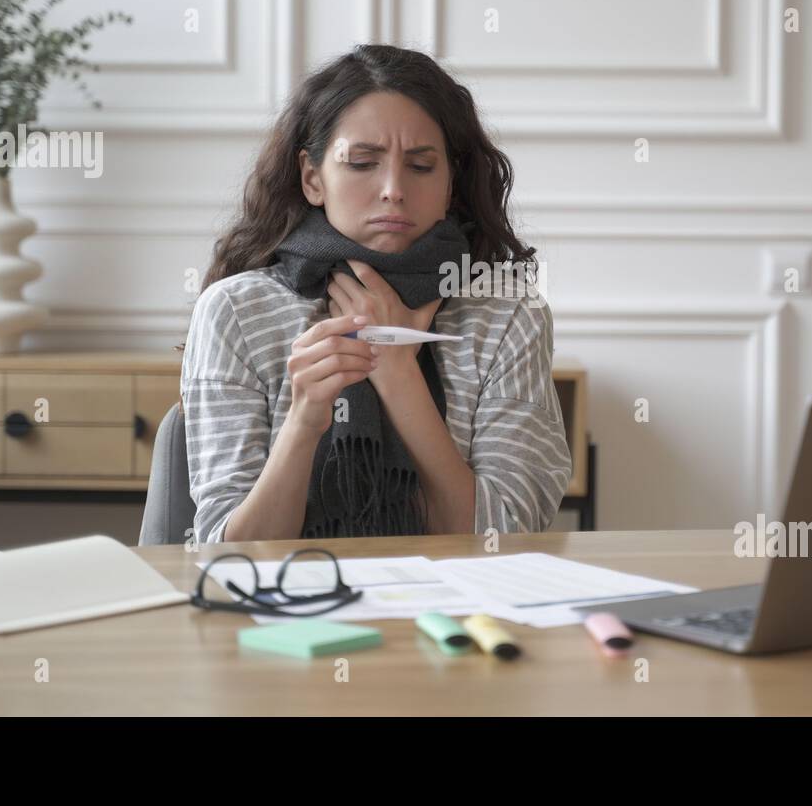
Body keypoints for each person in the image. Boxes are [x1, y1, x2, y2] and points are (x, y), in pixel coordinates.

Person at [180, 43, 573, 542]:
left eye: (422, 166)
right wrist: (304, 421)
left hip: (453, 610)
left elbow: (503, 537)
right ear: (312, 178)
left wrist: (397, 371)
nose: (393, 188)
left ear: (451, 183)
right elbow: (227, 553)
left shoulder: (509, 316)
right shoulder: (235, 312)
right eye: (363, 162)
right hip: (288, 613)